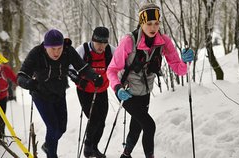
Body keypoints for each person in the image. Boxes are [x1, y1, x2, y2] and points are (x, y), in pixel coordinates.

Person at [106, 3, 194, 158]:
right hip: (126, 92)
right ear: (141, 23)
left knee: (137, 126)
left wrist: (186, 61)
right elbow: (111, 70)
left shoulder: (164, 42)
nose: (153, 28)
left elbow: (178, 69)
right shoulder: (129, 41)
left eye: (156, 23)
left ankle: (125, 155)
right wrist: (118, 88)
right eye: (149, 24)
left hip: (145, 92)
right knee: (149, 125)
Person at [17, 29, 103, 158]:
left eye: (59, 48)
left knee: (61, 128)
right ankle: (52, 155)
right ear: (45, 47)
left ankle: (47, 145)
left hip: (59, 93)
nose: (56, 52)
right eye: (53, 49)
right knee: (53, 127)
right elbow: (21, 75)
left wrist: (95, 76)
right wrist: (28, 83)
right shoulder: (36, 53)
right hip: (41, 94)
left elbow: (82, 67)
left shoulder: (68, 51)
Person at [68, 26, 115, 158]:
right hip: (85, 90)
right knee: (94, 118)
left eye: (104, 43)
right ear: (93, 40)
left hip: (102, 90)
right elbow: (70, 70)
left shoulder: (110, 51)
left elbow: (121, 63)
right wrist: (79, 81)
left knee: (102, 121)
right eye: (98, 43)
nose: (101, 46)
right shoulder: (83, 50)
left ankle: (94, 147)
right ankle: (88, 145)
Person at [0, 60, 17, 143]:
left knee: (2, 116)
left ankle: (2, 134)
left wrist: (23, 83)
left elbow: (14, 78)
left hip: (3, 97)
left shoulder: (5, 70)